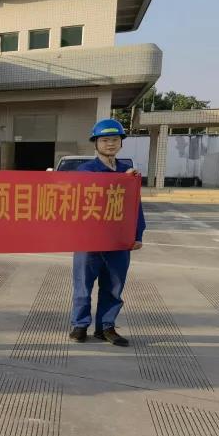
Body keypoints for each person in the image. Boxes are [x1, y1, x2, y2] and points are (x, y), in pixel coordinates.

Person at [69, 118, 145, 347]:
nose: (110, 144)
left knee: (113, 287)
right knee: (83, 286)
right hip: (88, 241)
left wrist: (138, 235)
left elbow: (135, 206)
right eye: (104, 140)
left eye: (114, 139)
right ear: (96, 143)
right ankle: (80, 325)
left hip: (118, 241)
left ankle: (106, 327)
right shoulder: (85, 171)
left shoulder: (128, 173)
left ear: (121, 142)